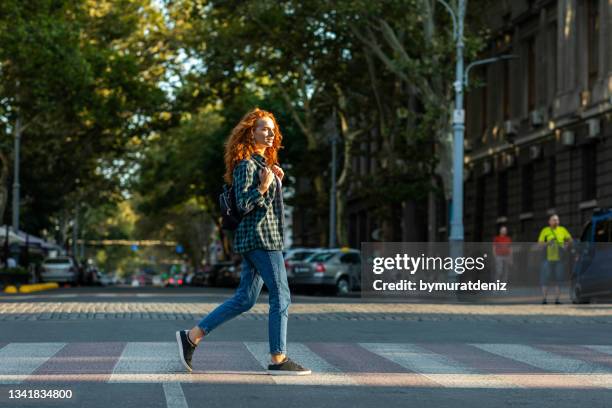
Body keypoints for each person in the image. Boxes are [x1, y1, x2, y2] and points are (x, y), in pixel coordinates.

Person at [175, 108, 311, 375]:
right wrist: (263, 187)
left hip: (261, 238)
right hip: (260, 239)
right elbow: (243, 204)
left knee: (245, 299)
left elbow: (266, 206)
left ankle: (191, 337)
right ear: (251, 132)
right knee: (281, 296)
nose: (270, 133)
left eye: (273, 129)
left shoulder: (264, 167)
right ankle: (278, 358)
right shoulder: (246, 165)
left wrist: (276, 183)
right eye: (264, 129)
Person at [537, 214, 572, 304]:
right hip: (547, 259)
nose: (555, 221)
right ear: (549, 221)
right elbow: (539, 244)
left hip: (559, 259)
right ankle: (544, 299)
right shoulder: (545, 231)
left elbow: (570, 240)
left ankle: (557, 299)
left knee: (559, 278)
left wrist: (565, 246)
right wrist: (548, 243)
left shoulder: (562, 230)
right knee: (545, 278)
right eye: (553, 220)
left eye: (557, 220)